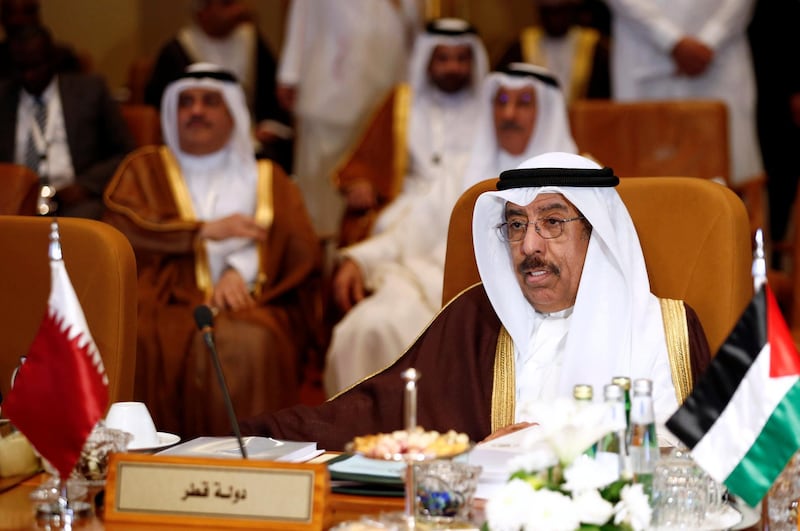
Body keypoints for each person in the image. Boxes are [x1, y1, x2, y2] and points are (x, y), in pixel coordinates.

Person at [239, 151, 711, 450]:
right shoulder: (478, 320)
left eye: (552, 222)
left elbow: (697, 464)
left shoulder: (663, 330)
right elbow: (370, 418)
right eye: (517, 225)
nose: (529, 247)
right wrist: (239, 439)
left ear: (598, 234)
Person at [323, 64, 578, 396]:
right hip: (441, 290)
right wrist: (361, 261)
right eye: (500, 101)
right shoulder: (462, 169)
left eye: (523, 102)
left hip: (534, 299)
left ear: (546, 111)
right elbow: (412, 231)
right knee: (368, 327)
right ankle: (367, 440)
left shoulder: (580, 176)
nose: (508, 113)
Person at [103, 63, 322, 440]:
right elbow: (120, 227)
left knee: (251, 343)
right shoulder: (145, 167)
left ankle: (253, 462)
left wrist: (243, 269)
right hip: (162, 298)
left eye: (210, 102)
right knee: (140, 337)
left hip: (247, 301)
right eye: (186, 102)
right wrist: (201, 232)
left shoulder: (267, 175)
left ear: (233, 112)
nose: (197, 111)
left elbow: (297, 244)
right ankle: (155, 456)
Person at [336, 17, 489, 247]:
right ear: (427, 61)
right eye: (443, 59)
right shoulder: (402, 103)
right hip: (412, 201)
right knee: (386, 235)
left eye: (461, 59)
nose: (453, 68)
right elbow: (368, 157)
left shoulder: (492, 107)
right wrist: (361, 183)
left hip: (473, 204)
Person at [276, 0, 420, 237]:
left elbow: (413, 28)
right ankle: (316, 251)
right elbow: (301, 16)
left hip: (382, 94)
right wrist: (290, 73)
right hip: (326, 89)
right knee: (319, 184)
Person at [603, 0, 763, 187]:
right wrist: (671, 41)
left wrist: (712, 37)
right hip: (643, 52)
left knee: (732, 170)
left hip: (721, 58)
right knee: (648, 179)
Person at [0, 24, 134, 219]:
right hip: (15, 202)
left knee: (81, 227)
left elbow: (126, 151)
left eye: (36, 66)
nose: (29, 75)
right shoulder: (3, 98)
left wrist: (85, 185)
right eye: (21, 68)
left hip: (74, 200)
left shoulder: (90, 91)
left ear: (52, 60)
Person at [144, 0, 292, 172]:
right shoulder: (176, 51)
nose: (239, 10)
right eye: (227, 5)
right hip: (197, 143)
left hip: (253, 142)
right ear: (202, 12)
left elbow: (275, 95)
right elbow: (163, 109)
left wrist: (269, 125)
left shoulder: (252, 41)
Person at [495, 0, 610, 105]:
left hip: (583, 123)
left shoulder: (595, 47)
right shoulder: (519, 47)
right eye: (549, 12)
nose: (554, 19)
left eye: (560, 11)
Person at [0, 0, 83, 78]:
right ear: (3, 18)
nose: (19, 19)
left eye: (28, 12)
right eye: (12, 13)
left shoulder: (61, 58)